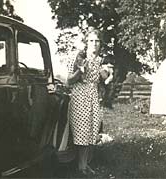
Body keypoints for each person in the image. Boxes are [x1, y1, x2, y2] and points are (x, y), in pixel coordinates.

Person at [67, 28, 103, 176]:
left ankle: (85, 164)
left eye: (97, 41)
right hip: (80, 97)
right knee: (82, 131)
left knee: (93, 130)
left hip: (93, 97)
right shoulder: (78, 57)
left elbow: (99, 81)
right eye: (91, 41)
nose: (94, 44)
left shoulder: (100, 60)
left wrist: (106, 77)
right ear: (86, 43)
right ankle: (80, 167)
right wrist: (80, 71)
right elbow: (68, 81)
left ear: (100, 44)